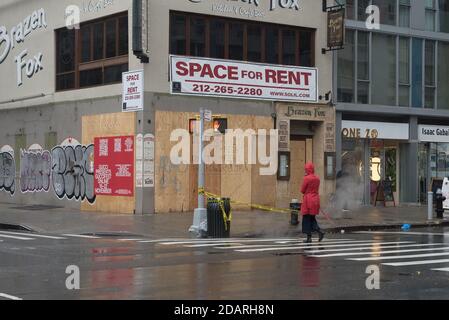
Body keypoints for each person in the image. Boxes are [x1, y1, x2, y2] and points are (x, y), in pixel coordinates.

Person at [300, 162, 324, 243]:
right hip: (315, 199)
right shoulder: (317, 179)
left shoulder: (306, 178)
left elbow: (302, 190)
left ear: (307, 169)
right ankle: (319, 232)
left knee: (306, 219)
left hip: (308, 200)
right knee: (312, 218)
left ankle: (309, 238)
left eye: (305, 169)